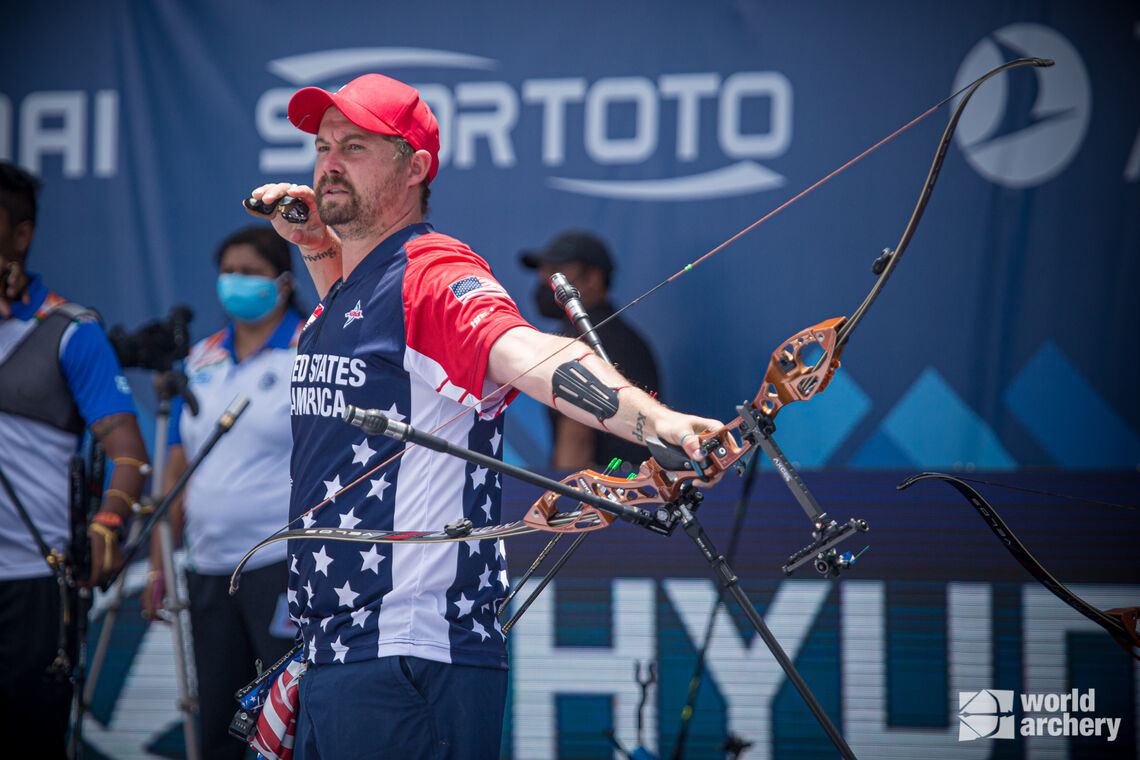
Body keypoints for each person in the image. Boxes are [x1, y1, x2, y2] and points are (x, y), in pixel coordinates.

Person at [248, 72, 720, 760]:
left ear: (415, 168)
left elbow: (531, 353)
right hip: (338, 649)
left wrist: (661, 426)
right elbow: (370, 336)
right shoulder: (356, 282)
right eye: (322, 147)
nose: (329, 164)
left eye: (355, 147)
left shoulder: (431, 273)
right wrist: (317, 245)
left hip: (407, 653)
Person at [0, 162, 148, 757]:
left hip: (32, 582)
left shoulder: (70, 329)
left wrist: (107, 525)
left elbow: (129, 453)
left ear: (21, 235)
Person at [141, 226, 302, 759]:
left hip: (280, 564)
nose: (236, 282)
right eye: (228, 271)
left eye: (250, 272)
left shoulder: (309, 350)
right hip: (207, 566)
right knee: (218, 722)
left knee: (287, 720)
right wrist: (161, 565)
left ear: (283, 282)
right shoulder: (200, 360)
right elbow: (176, 467)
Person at [521, 230, 661, 471]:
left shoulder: (580, 340)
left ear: (593, 279)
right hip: (634, 485)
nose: (543, 280)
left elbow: (576, 442)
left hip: (602, 488)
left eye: (555, 273)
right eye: (542, 272)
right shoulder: (626, 337)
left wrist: (563, 491)